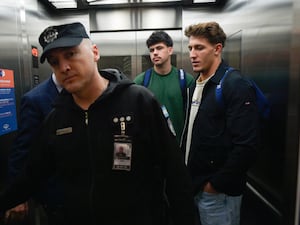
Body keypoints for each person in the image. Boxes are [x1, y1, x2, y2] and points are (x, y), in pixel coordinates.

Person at [0, 22, 195, 225]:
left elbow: (175, 174)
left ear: (94, 52)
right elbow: (31, 175)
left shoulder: (139, 102)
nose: (64, 67)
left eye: (71, 54)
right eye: (54, 61)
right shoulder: (57, 118)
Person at [182, 21, 260, 225]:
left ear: (217, 49)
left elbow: (246, 146)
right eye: (190, 48)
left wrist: (214, 185)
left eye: (199, 48)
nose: (192, 54)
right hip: (196, 186)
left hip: (219, 195)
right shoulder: (196, 85)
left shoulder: (234, 85)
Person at [4, 73, 63, 225]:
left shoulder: (86, 92)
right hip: (57, 195)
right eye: (56, 61)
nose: (66, 67)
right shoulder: (36, 99)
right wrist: (17, 197)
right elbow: (22, 150)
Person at [134, 31, 194, 143]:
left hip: (179, 147)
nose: (155, 53)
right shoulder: (140, 82)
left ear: (170, 50)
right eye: (152, 50)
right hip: (152, 147)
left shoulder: (186, 80)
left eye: (159, 48)